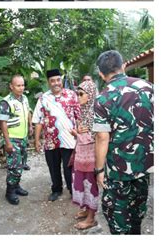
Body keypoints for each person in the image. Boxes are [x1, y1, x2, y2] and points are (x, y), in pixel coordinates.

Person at [93, 50, 153, 235]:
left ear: (101, 74)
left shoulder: (102, 98)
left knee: (118, 215)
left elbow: (102, 137)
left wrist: (99, 170)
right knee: (137, 210)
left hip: (118, 170)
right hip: (144, 165)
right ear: (124, 66)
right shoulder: (150, 88)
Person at [33, 68, 80, 201]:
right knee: (53, 167)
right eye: (52, 81)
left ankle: (72, 190)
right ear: (48, 82)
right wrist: (36, 141)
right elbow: (38, 120)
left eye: (58, 80)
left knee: (69, 168)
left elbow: (79, 116)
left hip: (69, 140)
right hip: (50, 141)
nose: (56, 83)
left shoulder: (72, 95)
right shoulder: (43, 98)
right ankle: (56, 189)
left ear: (61, 80)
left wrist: (80, 135)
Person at [0, 75, 32, 205]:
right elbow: (2, 122)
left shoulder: (24, 98)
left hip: (23, 138)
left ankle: (16, 186)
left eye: (23, 85)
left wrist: (30, 126)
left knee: (21, 164)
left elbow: (28, 112)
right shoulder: (6, 102)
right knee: (14, 167)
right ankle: (10, 191)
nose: (21, 88)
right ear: (11, 86)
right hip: (13, 139)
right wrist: (7, 142)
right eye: (18, 85)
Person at [72, 76, 99, 230]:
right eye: (78, 93)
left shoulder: (96, 114)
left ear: (91, 95)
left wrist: (79, 133)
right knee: (82, 184)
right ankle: (86, 210)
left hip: (90, 159)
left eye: (81, 94)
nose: (78, 97)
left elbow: (100, 137)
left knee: (90, 186)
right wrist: (76, 132)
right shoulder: (83, 111)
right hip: (81, 156)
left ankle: (91, 218)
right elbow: (82, 135)